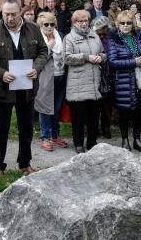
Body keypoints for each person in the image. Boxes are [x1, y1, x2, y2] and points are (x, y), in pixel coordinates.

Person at [0, 0, 48, 175]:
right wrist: (1, 73)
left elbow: (43, 51)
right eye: (6, 14)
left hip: (27, 90)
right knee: (0, 129)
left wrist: (37, 68)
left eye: (14, 14)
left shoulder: (33, 29)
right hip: (2, 90)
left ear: (21, 12)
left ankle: (24, 163)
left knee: (26, 128)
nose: (10, 18)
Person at [107, 10, 141, 152]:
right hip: (123, 82)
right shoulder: (114, 40)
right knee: (124, 112)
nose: (126, 25)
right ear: (117, 24)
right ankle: (125, 139)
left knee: (139, 111)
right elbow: (113, 62)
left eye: (129, 23)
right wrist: (133, 62)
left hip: (140, 81)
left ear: (133, 24)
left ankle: (137, 139)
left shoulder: (139, 38)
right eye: (123, 23)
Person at [64, 9, 106, 153]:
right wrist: (86, 57)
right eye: (80, 21)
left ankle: (92, 142)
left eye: (85, 21)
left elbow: (103, 52)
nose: (83, 23)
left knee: (94, 117)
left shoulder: (94, 36)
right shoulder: (69, 38)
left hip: (94, 82)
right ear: (74, 23)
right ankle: (78, 144)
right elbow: (67, 58)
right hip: (78, 83)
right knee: (78, 117)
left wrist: (101, 57)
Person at [34, 12, 68, 151]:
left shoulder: (60, 35)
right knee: (45, 107)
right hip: (45, 77)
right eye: (45, 24)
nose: (49, 27)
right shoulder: (37, 38)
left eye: (52, 24)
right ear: (40, 25)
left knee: (57, 108)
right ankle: (44, 137)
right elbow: (36, 60)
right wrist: (49, 46)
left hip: (60, 75)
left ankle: (55, 135)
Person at [91, 16, 112, 138]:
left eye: (104, 31)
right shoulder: (92, 38)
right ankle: (94, 128)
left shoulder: (110, 39)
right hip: (95, 74)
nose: (102, 34)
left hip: (108, 74)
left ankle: (106, 127)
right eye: (99, 32)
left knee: (107, 105)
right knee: (94, 105)